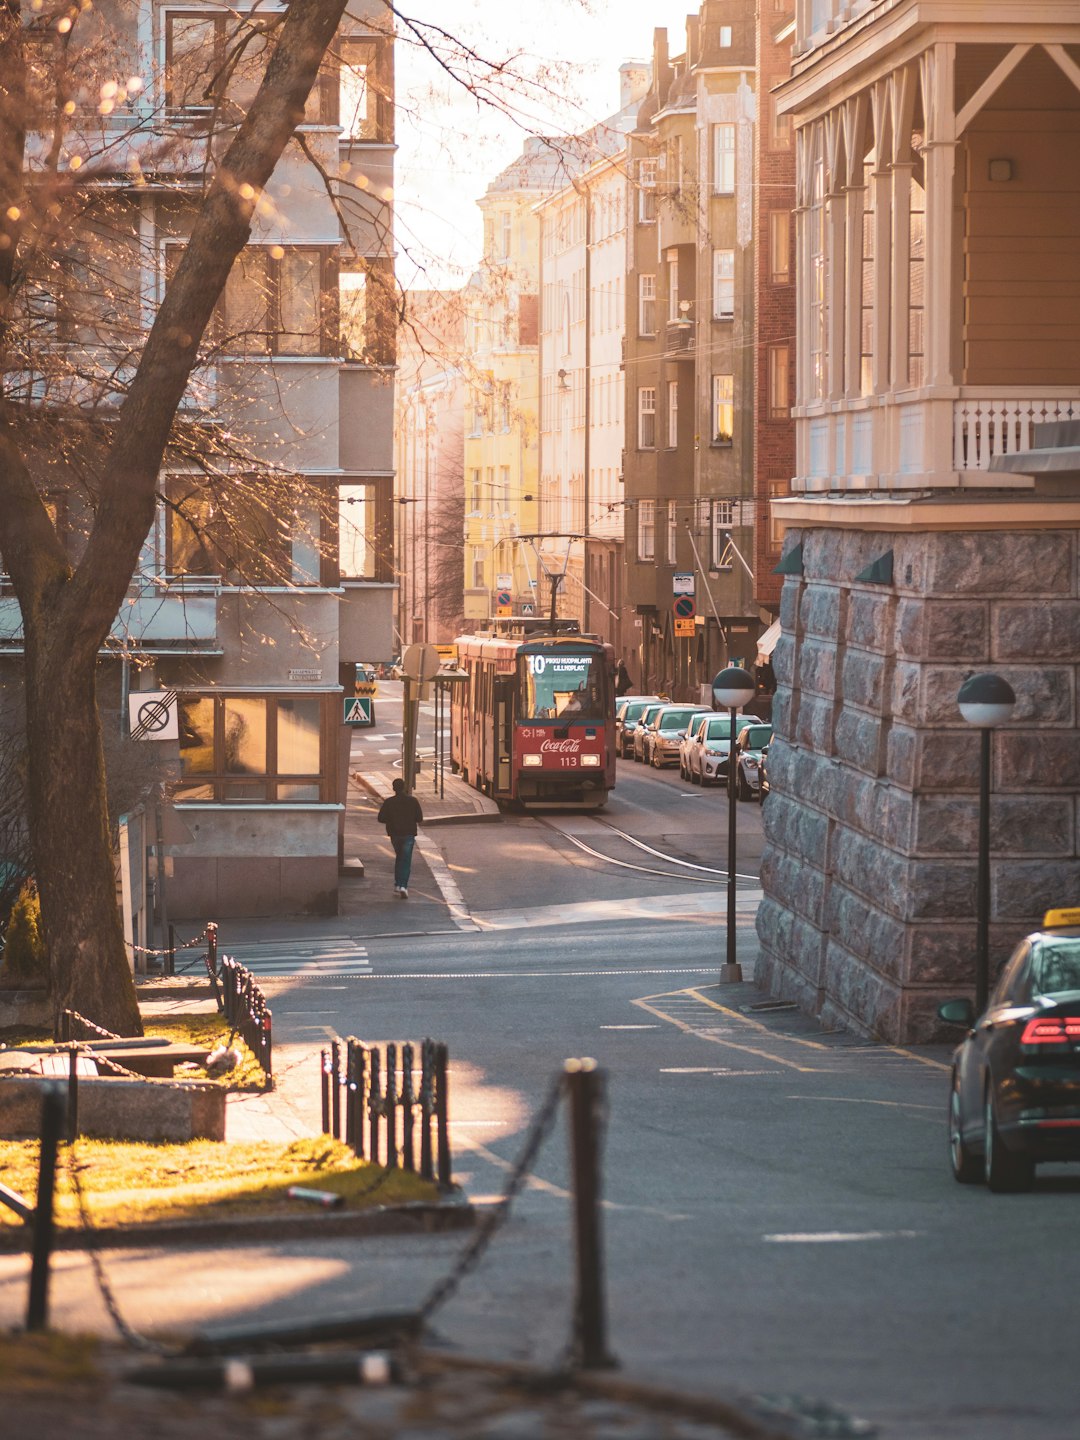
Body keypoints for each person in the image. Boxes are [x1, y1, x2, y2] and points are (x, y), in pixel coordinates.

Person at [377, 777, 424, 898]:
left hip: (395, 834)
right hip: (408, 833)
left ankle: (397, 884)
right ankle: (403, 885)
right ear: (404, 787)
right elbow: (419, 818)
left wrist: (392, 820)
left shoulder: (389, 802)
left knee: (399, 858)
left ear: (393, 788)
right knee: (406, 860)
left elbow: (381, 818)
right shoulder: (413, 801)